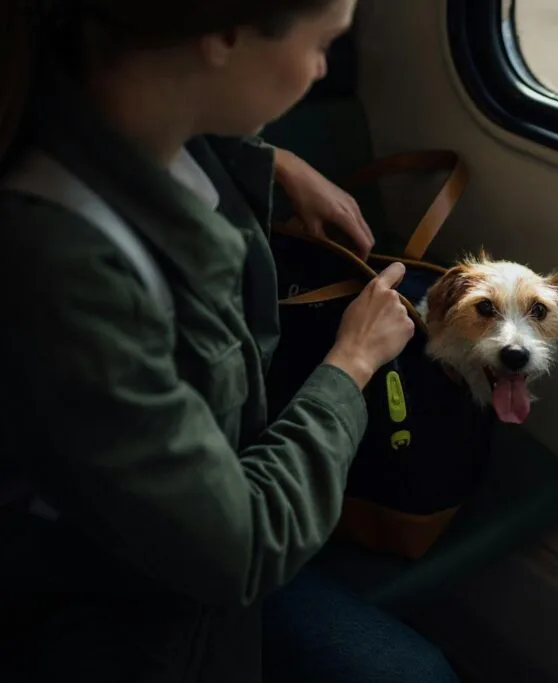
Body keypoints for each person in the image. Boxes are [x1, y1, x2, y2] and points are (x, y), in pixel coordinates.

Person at [0, 1, 459, 681]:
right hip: (128, 610)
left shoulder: (167, 137)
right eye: (323, 42)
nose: (324, 68)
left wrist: (273, 161)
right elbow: (241, 546)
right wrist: (353, 360)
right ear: (220, 36)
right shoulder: (64, 271)